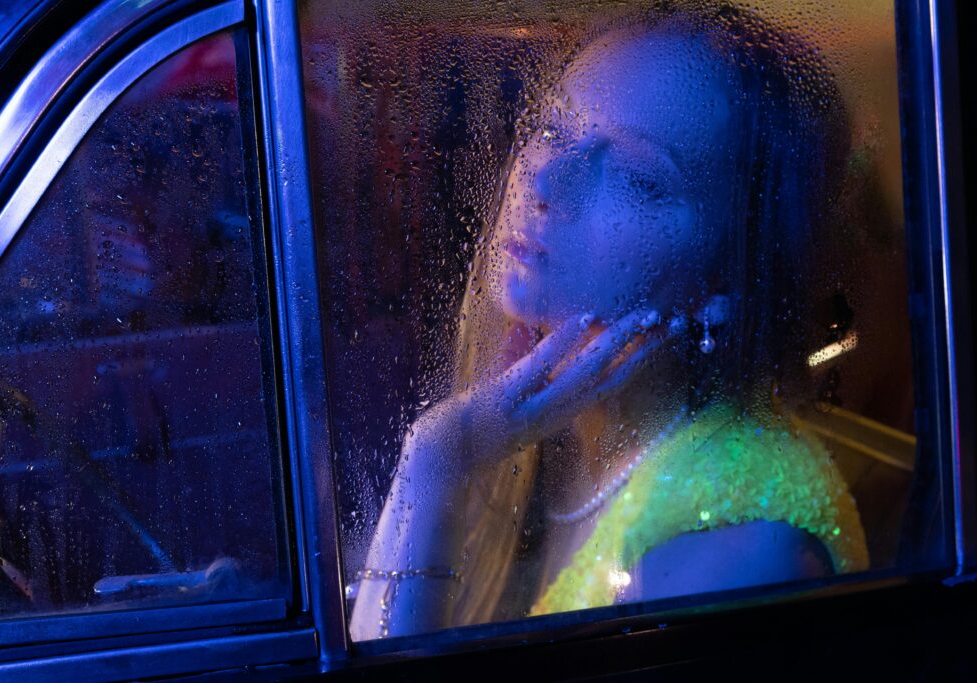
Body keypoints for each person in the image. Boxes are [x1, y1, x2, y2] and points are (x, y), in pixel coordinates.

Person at [349, 4, 869, 641]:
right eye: (550, 130)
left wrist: (432, 463)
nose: (545, 177)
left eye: (636, 178)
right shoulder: (565, 430)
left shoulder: (732, 550)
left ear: (727, 281)